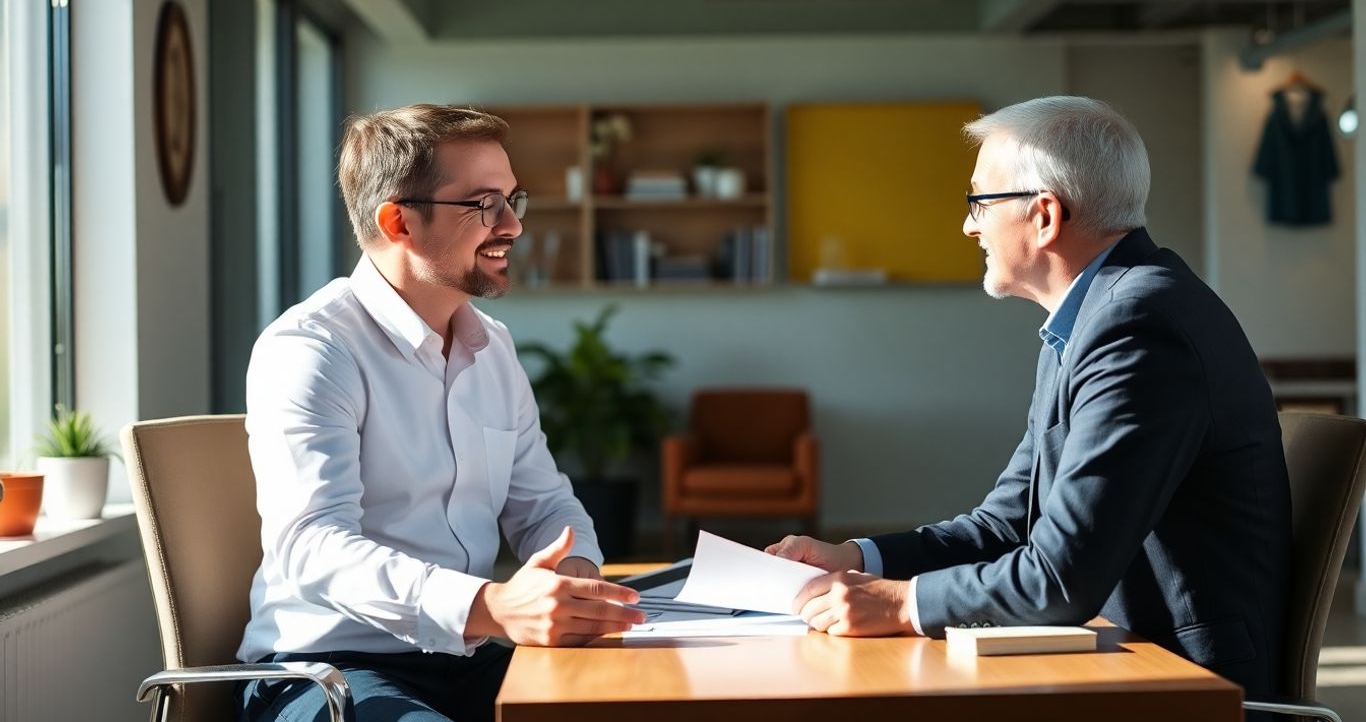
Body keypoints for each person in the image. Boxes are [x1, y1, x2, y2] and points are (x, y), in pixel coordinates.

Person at [768, 95, 1290, 697]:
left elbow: (1059, 581)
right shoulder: (1093, 318)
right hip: (1121, 656)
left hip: (1187, 681)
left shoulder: (1137, 327)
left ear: (1044, 216)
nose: (969, 226)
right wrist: (857, 559)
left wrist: (902, 603)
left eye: (979, 203)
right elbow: (1008, 524)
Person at [234, 104, 645, 722]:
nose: (513, 225)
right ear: (398, 221)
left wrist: (572, 581)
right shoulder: (312, 349)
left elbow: (545, 504)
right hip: (325, 671)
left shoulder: (493, 348)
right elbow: (313, 547)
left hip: (462, 658)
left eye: (513, 200)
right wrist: (492, 606)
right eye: (484, 205)